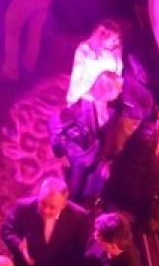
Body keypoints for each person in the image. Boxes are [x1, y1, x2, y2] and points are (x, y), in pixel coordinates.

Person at [100, 119, 159, 234]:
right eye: (157, 144)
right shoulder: (155, 177)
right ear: (150, 153)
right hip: (133, 220)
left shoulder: (122, 158)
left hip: (112, 207)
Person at [48, 70, 123, 205]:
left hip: (95, 154)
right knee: (74, 191)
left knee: (88, 187)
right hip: (78, 157)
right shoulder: (82, 106)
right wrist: (58, 150)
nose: (121, 91)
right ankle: (70, 209)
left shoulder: (110, 105)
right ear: (107, 89)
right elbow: (54, 124)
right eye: (118, 88)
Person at [1, 177, 90, 266]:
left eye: (52, 207)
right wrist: (19, 245)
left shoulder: (79, 216)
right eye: (42, 203)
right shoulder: (23, 207)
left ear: (64, 204)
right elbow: (7, 230)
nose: (46, 210)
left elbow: (80, 250)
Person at [66, 19, 123, 106]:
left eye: (117, 39)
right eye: (113, 39)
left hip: (109, 96)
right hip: (89, 96)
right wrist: (72, 99)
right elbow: (76, 77)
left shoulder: (115, 51)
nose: (116, 42)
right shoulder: (84, 50)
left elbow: (118, 76)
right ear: (102, 36)